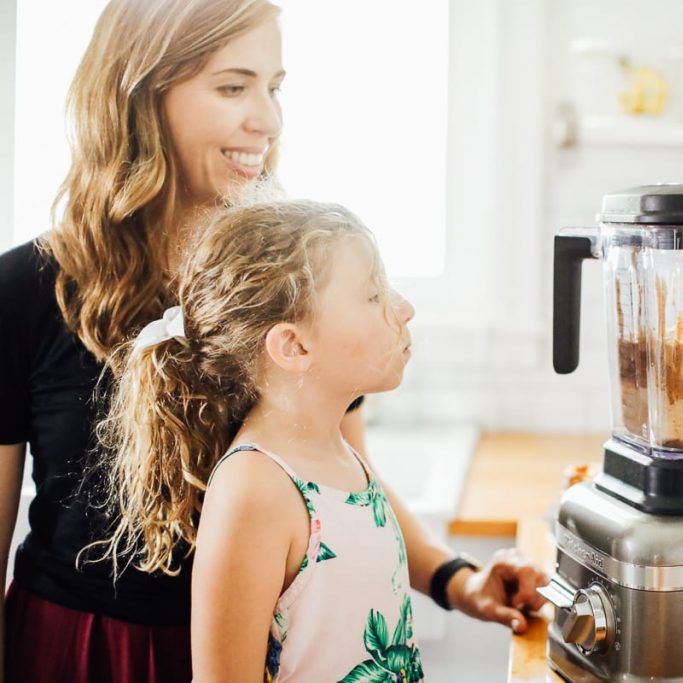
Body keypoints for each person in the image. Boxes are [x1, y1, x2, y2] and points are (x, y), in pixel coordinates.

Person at [0, 2, 545, 681]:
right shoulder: (24, 289)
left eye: (274, 86)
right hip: (78, 653)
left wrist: (459, 581)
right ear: (137, 97)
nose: (268, 118)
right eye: (233, 86)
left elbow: (349, 474)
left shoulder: (290, 279)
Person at [100, 198, 543, 682]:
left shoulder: (339, 453)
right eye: (373, 296)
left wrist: (467, 583)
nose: (405, 308)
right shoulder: (255, 490)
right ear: (294, 346)